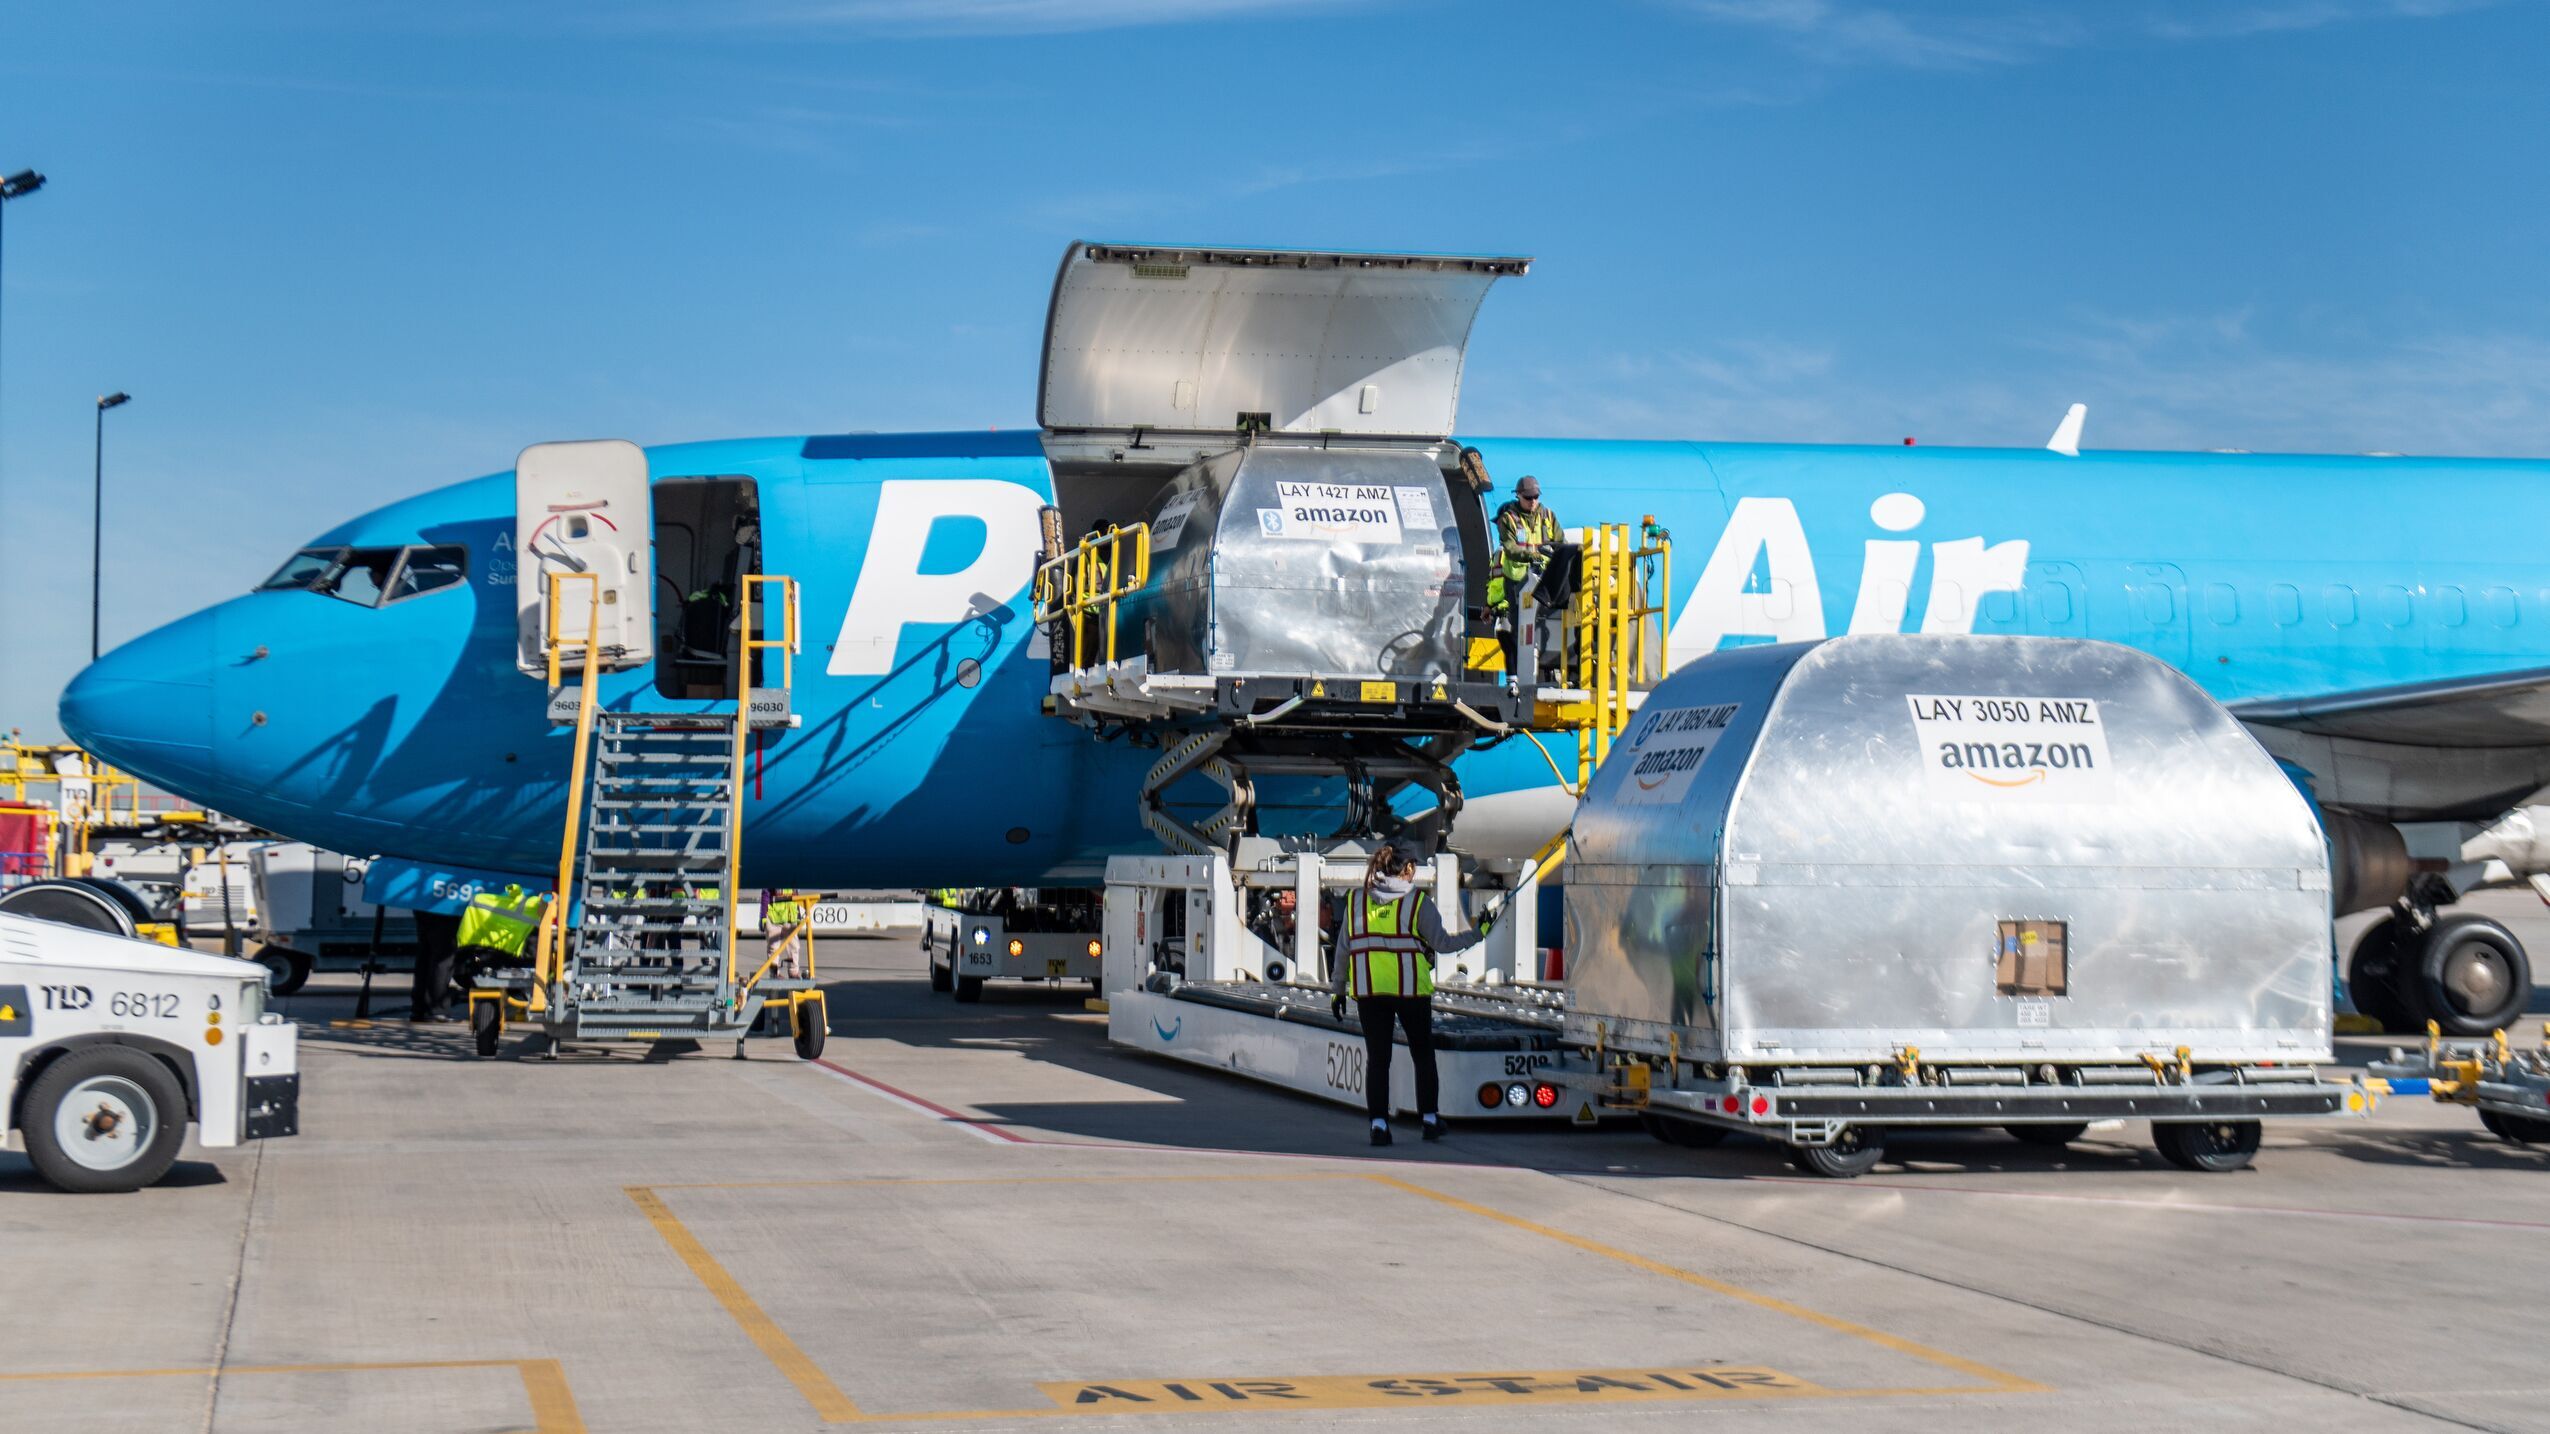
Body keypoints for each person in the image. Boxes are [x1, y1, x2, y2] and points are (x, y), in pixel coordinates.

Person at [1327, 843, 1486, 1146]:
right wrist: (1480, 931)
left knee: (1378, 1060)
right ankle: (1428, 1119)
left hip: (1370, 992)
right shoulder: (1417, 903)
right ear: (1408, 869)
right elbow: (1443, 944)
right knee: (1422, 1055)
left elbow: (1343, 951)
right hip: (1411, 991)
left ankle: (1378, 1125)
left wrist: (1337, 991)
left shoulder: (1356, 901)